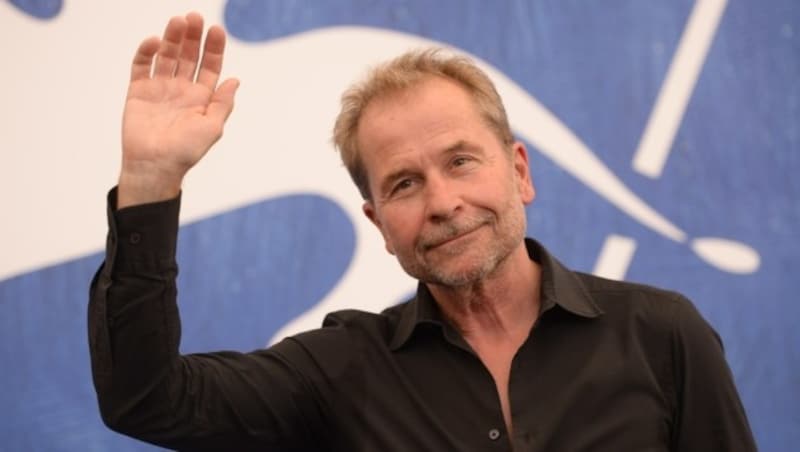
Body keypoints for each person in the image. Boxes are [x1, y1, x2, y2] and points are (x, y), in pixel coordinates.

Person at [89, 12, 757, 451]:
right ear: (379, 224)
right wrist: (149, 181)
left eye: (461, 161)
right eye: (404, 184)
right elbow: (148, 401)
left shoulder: (662, 335)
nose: (442, 202)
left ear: (518, 171)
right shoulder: (342, 370)